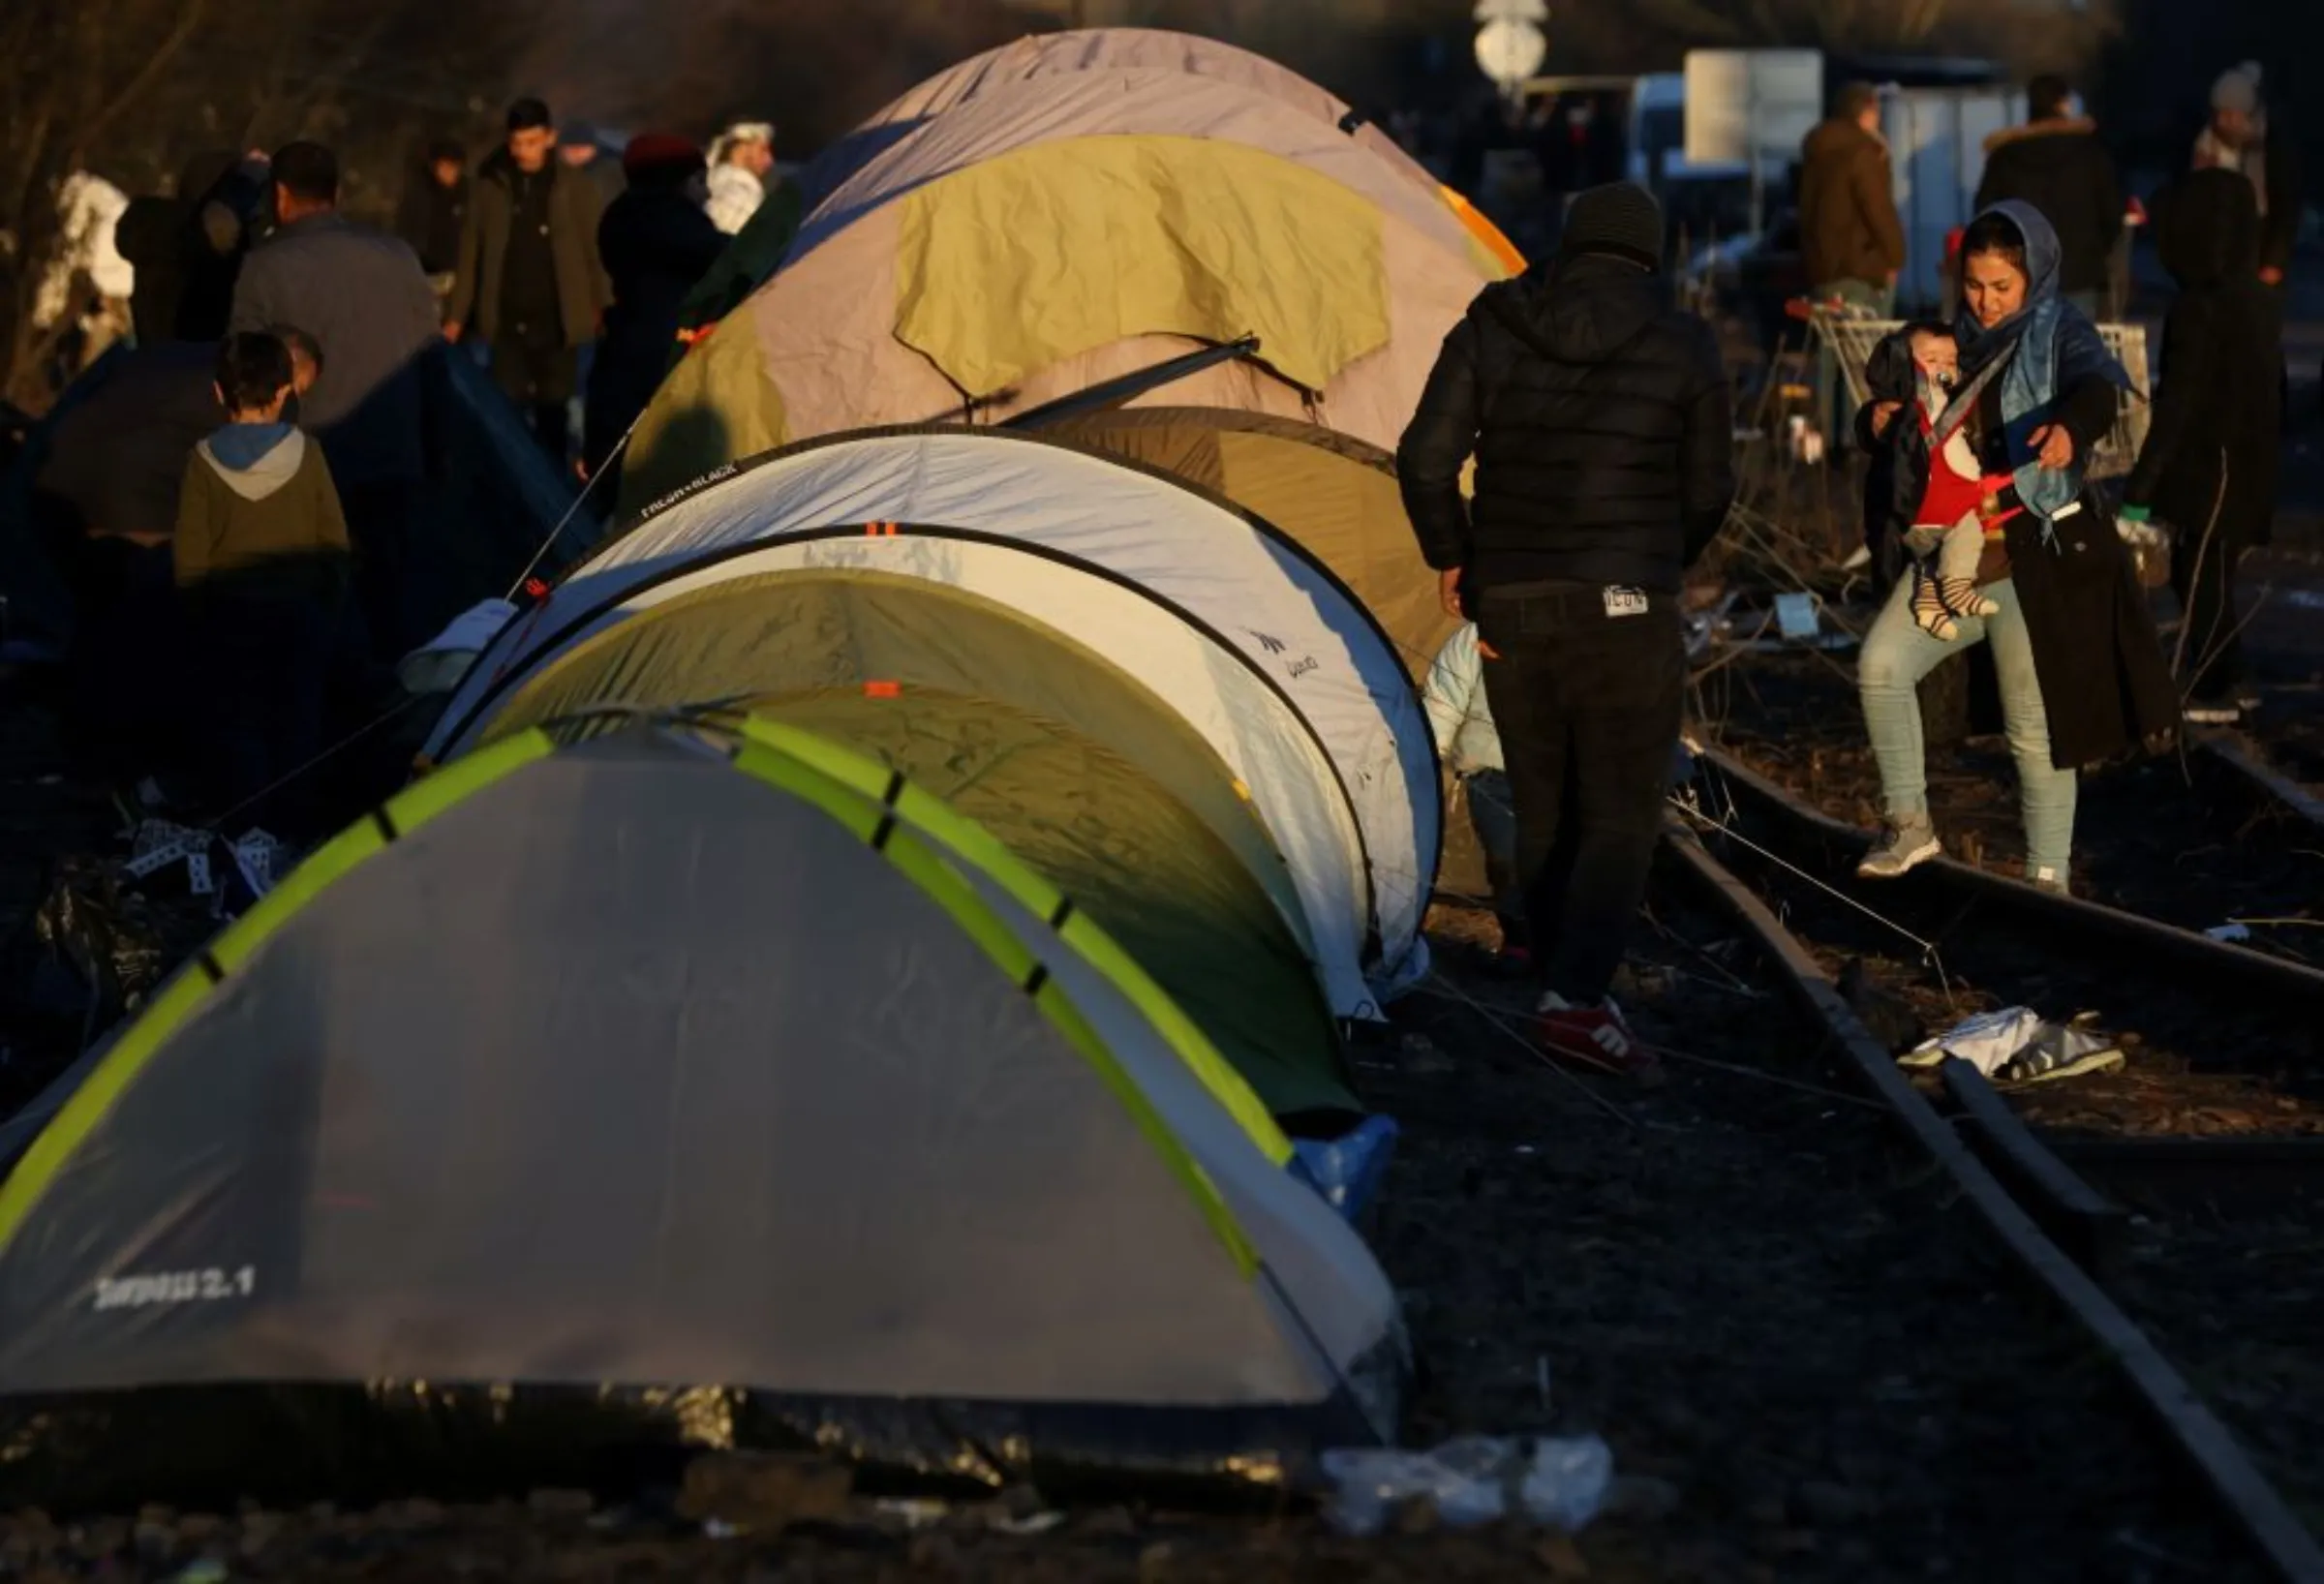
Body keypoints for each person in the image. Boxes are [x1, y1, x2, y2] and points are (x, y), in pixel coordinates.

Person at [1398, 181, 1733, 1076]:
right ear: (1648, 256)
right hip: (1628, 608)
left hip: (1514, 603)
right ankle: (1579, 1002)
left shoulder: (1493, 323)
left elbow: (1424, 459)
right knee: (1620, 811)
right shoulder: (1683, 339)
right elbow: (1709, 491)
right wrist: (1661, 559)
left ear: (1568, 244)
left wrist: (1459, 558)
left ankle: (1555, 982)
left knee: (1542, 798)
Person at [1854, 202, 2178, 895]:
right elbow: (1900, 411)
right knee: (1881, 666)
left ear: (2035, 273)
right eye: (1974, 285)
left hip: (2033, 550)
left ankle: (2048, 879)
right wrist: (1872, 419)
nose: (1987, 301)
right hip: (1954, 556)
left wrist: (2069, 428)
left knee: (2034, 728)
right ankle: (1908, 821)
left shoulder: (2061, 329)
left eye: (2002, 286)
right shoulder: (1944, 341)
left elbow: (2098, 387)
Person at [228, 139, 442, 660]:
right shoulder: (399, 256)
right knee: (392, 606)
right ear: (338, 192)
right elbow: (435, 365)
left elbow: (242, 374)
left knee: (313, 619)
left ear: (279, 196)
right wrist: (434, 453)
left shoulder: (266, 267)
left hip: (310, 462)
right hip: (396, 458)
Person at [2120, 168, 2282, 725]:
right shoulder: (2258, 297)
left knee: (2198, 568)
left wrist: (2139, 490)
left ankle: (2218, 682)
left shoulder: (2198, 306)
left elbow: (2179, 406)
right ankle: (2229, 675)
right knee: (2213, 568)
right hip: (2250, 462)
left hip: (2207, 466)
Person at [173, 332, 352, 831]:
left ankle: (245, 833)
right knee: (298, 728)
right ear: (284, 392)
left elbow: (191, 558)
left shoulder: (202, 462)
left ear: (217, 392)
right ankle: (292, 836)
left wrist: (197, 621)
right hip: (300, 618)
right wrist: (328, 611)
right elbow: (334, 544)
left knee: (238, 731)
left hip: (230, 620)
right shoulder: (309, 454)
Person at [448, 99, 612, 468]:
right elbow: (471, 254)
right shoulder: (490, 187)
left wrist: (605, 304)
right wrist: (456, 316)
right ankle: (512, 488)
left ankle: (552, 489)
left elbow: (593, 248)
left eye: (532, 141)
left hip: (560, 318)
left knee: (556, 411)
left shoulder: (574, 187)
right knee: (507, 411)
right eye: (517, 143)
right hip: (505, 316)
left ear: (549, 138)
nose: (524, 151)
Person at [586, 134, 725, 492]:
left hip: (621, 358)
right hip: (665, 357)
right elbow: (729, 259)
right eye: (699, 182)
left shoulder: (619, 219)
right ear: (675, 182)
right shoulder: (677, 226)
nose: (706, 194)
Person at [1973, 76, 2122, 320]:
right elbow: (2111, 215)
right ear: (2063, 104)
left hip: (2021, 277)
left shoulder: (2005, 158)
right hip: (2080, 274)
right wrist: (2097, 253)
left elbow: (1985, 216)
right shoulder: (2091, 154)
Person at [1799, 82, 1906, 315]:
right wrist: (1894, 258)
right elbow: (1878, 210)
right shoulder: (1863, 152)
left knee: (1834, 346)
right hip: (1861, 269)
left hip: (1821, 269)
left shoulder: (1818, 149)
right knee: (1867, 345)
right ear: (1868, 111)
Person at [2194, 63, 2301, 290]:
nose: (2224, 121)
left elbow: (2286, 207)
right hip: (2217, 255)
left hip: (2258, 250)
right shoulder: (2205, 146)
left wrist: (2274, 261)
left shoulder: (2269, 147)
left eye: (2231, 113)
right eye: (2220, 113)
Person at [395, 138, 469, 309]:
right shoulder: (419, 194)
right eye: (444, 166)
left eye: (453, 167)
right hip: (423, 271)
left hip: (454, 273)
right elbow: (408, 231)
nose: (448, 172)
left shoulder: (465, 196)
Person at [705, 121, 777, 236]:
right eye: (763, 149)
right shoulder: (742, 195)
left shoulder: (713, 186)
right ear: (742, 149)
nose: (770, 159)